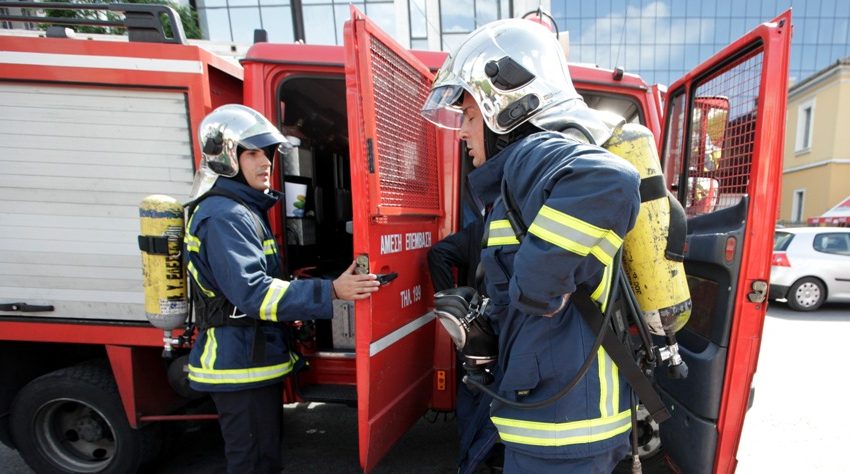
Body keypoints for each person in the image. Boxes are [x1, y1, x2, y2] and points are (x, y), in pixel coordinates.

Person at [421, 20, 642, 473]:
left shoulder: (531, 154)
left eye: (467, 116)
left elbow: (609, 181)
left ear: (504, 108)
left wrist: (534, 289)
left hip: (564, 434)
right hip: (560, 422)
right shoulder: (520, 179)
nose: (461, 133)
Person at [183, 104, 380, 473]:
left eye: (268, 154)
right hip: (239, 365)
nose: (265, 163)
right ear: (227, 158)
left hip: (249, 360)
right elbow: (253, 294)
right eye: (253, 153)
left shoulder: (240, 210)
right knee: (255, 462)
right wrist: (331, 291)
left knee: (262, 458)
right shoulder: (226, 215)